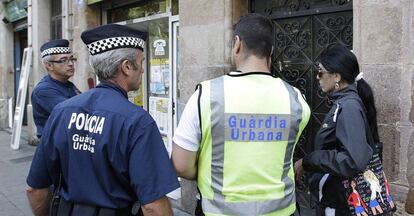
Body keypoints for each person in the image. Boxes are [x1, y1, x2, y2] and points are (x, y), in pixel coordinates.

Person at [26, 24, 180, 216]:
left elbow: (35, 189)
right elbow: (153, 205)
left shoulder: (61, 112)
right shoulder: (137, 121)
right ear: (126, 67)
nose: (142, 70)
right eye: (141, 62)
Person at [171, 13, 311, 216]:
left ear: (237, 44)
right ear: (270, 51)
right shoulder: (296, 99)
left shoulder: (206, 95)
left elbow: (181, 164)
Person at [294, 45, 378, 216]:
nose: (317, 78)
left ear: (337, 76)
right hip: (335, 199)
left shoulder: (349, 107)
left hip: (341, 203)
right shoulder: (343, 104)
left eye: (320, 72)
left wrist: (309, 160)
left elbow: (353, 161)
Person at [32, 39, 81, 139]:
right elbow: (75, 114)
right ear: (49, 65)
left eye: (72, 59)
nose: (71, 64)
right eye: (64, 60)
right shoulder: (44, 90)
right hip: (55, 147)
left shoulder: (67, 84)